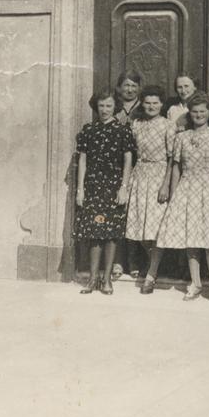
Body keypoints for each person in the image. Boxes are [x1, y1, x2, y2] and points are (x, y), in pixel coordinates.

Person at [151, 92, 209, 301]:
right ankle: (195, 282)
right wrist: (174, 193)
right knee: (191, 235)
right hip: (187, 187)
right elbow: (177, 167)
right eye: (194, 112)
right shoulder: (182, 137)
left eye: (202, 111)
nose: (198, 115)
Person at [73, 90, 135, 294]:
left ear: (115, 107)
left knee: (110, 233)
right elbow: (82, 160)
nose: (105, 110)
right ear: (96, 107)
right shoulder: (88, 130)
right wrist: (80, 190)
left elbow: (128, 160)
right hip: (93, 186)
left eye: (109, 105)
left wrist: (123, 188)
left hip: (114, 187)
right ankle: (93, 279)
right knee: (94, 232)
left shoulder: (123, 130)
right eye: (101, 105)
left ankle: (107, 279)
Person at [124, 87, 174, 294]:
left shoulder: (168, 125)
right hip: (140, 175)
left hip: (159, 176)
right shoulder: (136, 124)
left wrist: (166, 184)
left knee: (156, 228)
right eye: (147, 103)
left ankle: (151, 274)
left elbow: (172, 158)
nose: (151, 106)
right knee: (141, 228)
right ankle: (153, 263)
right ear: (142, 104)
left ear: (161, 104)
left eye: (155, 103)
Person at [112, 70, 144, 279]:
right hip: (116, 165)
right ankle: (117, 261)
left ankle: (134, 260)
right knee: (118, 213)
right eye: (126, 85)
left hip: (139, 166)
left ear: (139, 88)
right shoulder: (113, 107)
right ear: (119, 88)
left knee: (134, 214)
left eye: (133, 85)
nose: (130, 89)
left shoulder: (144, 108)